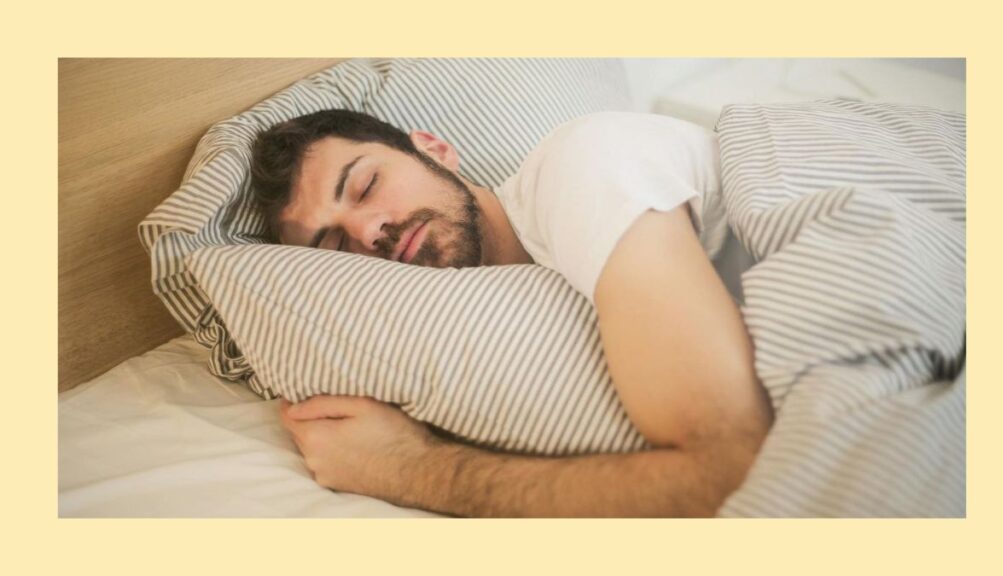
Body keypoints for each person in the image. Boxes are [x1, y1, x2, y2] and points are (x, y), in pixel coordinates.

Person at [251, 109, 774, 517]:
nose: (369, 232)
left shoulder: (583, 167)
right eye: (338, 244)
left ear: (433, 149)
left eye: (366, 186)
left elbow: (736, 477)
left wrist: (410, 469)